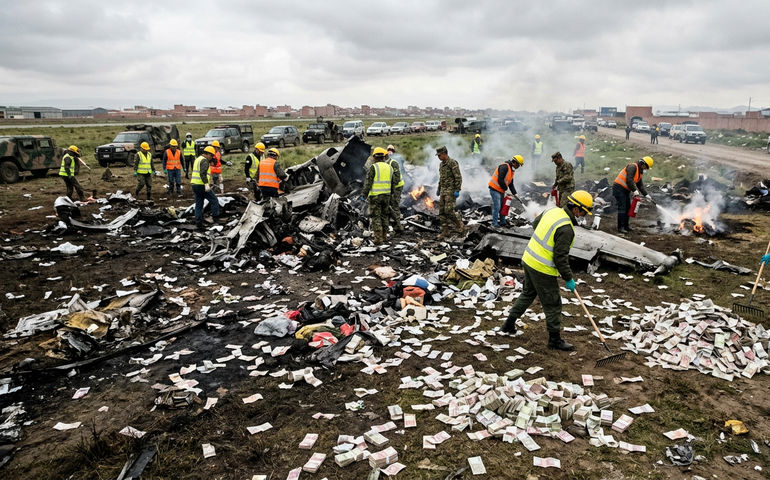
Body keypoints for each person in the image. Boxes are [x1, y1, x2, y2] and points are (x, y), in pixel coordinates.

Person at [500, 191, 594, 351]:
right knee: (553, 304)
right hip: (542, 268)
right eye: (584, 211)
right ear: (576, 209)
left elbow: (535, 225)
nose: (583, 215)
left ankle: (508, 324)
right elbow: (560, 258)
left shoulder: (552, 210)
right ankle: (554, 340)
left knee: (528, 293)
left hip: (528, 258)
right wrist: (568, 278)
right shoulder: (566, 228)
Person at [361, 147, 394, 245]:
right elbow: (393, 183)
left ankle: (378, 239)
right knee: (384, 215)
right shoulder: (390, 167)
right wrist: (391, 194)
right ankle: (384, 236)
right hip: (386, 196)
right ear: (384, 157)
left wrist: (364, 194)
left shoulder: (373, 167)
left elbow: (368, 182)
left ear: (374, 158)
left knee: (376, 217)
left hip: (375, 196)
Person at [613, 156, 654, 233]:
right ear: (644, 164)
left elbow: (640, 185)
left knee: (628, 208)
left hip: (625, 190)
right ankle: (620, 227)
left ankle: (626, 226)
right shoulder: (633, 167)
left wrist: (646, 195)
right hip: (618, 189)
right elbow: (629, 180)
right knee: (622, 208)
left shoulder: (639, 171)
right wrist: (635, 191)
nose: (646, 169)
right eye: (647, 167)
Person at [436, 146, 464, 239]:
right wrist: (439, 188)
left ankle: (459, 225)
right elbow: (441, 178)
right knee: (441, 212)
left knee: (448, 210)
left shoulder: (452, 163)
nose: (438, 157)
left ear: (444, 154)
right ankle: (445, 230)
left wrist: (457, 190)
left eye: (439, 155)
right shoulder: (441, 165)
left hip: (451, 191)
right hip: (443, 190)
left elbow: (458, 177)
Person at [488, 155, 524, 227]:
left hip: (500, 190)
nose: (518, 167)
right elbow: (500, 179)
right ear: (515, 163)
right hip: (494, 189)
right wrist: (505, 189)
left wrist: (515, 193)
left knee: (502, 206)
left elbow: (510, 183)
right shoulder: (504, 167)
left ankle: (502, 222)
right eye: (519, 165)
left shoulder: (511, 170)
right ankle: (494, 223)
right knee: (497, 206)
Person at [190, 146, 220, 230]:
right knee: (214, 200)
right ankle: (216, 218)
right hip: (201, 184)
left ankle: (198, 222)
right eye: (211, 156)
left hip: (194, 184)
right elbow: (202, 173)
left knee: (199, 204)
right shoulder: (205, 161)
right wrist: (206, 183)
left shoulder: (198, 159)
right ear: (208, 154)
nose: (211, 158)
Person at [387, 148, 405, 234]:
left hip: (397, 187)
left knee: (394, 204)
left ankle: (398, 225)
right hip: (391, 187)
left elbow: (396, 179)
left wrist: (392, 190)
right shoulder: (384, 164)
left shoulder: (393, 163)